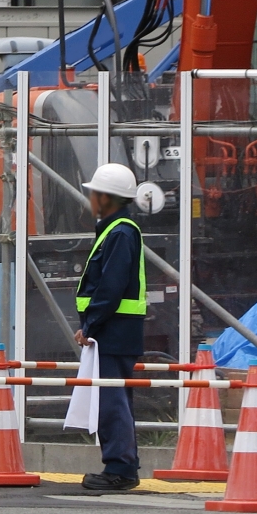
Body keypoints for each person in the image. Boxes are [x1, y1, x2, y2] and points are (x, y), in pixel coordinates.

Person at [75, 161, 147, 493]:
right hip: (115, 332)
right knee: (113, 399)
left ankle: (120, 469)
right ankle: (122, 465)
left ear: (106, 197)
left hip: (113, 332)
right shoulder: (118, 229)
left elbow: (110, 286)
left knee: (111, 401)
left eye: (94, 193)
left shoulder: (119, 232)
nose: (90, 199)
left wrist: (90, 324)